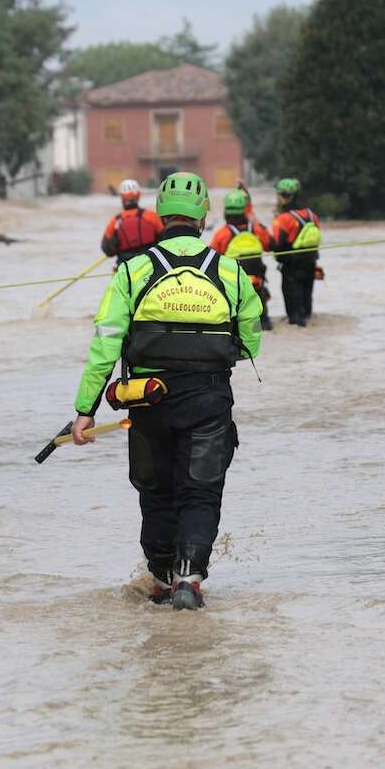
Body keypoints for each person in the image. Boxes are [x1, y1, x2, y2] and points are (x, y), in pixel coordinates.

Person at [70, 172, 263, 611]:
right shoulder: (229, 272)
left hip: (146, 398)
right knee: (201, 490)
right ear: (204, 217)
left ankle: (159, 578)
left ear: (159, 213)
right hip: (209, 398)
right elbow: (251, 340)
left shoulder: (133, 271)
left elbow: (106, 342)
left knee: (155, 491)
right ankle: (189, 578)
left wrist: (85, 409)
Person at [209, 188, 274, 331]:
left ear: (226, 212)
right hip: (257, 280)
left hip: (234, 281)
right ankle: (264, 322)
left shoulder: (222, 233)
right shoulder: (257, 230)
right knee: (259, 298)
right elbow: (269, 245)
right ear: (244, 210)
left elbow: (212, 257)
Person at [269, 177, 322, 326]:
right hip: (311, 265)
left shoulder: (283, 219)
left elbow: (277, 245)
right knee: (306, 308)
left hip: (291, 269)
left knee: (295, 316)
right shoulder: (312, 215)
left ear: (283, 197)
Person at [100, 179, 164, 263]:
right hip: (150, 262)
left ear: (122, 198)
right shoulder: (152, 216)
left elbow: (107, 250)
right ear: (138, 196)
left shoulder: (115, 221)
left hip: (124, 265)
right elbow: (165, 238)